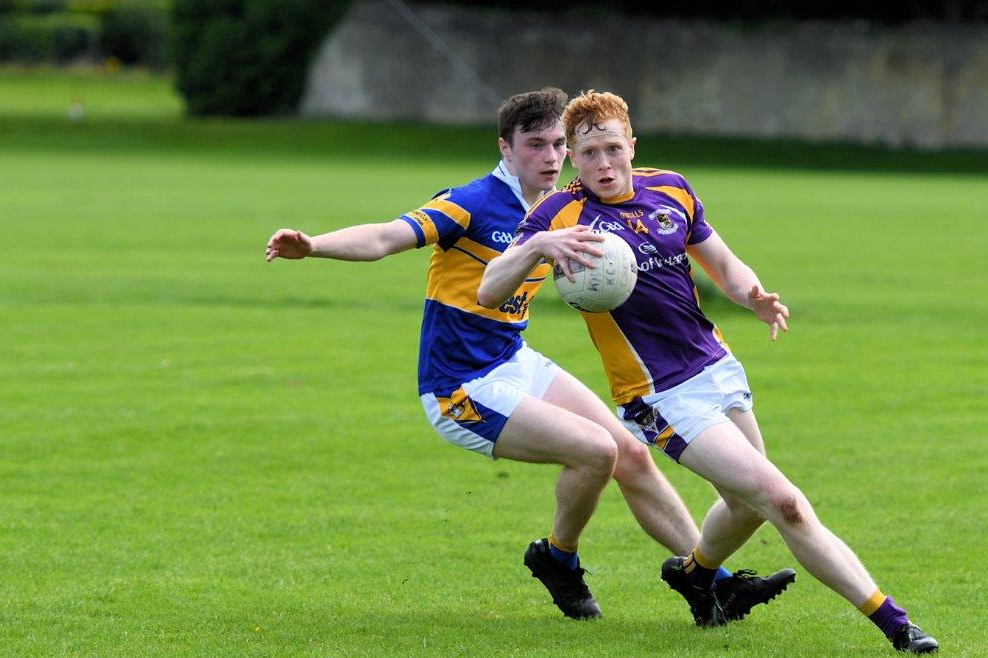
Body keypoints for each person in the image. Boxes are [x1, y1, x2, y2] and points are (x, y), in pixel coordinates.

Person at [264, 88, 793, 623]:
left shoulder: (560, 204)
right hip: (460, 386)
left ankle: (710, 583)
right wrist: (313, 245)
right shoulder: (472, 202)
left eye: (559, 145)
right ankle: (557, 558)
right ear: (506, 149)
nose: (550, 156)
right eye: (535, 144)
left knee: (630, 453)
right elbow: (384, 236)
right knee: (595, 451)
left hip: (513, 359)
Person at [480, 90, 940, 653]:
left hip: (718, 367)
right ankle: (897, 625)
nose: (602, 164)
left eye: (612, 149)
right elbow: (489, 287)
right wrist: (538, 247)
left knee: (746, 506)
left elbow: (722, 263)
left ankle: (695, 573)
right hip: (658, 394)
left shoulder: (671, 187)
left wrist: (753, 295)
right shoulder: (558, 214)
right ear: (572, 158)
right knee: (783, 500)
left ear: (632, 145)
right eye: (588, 153)